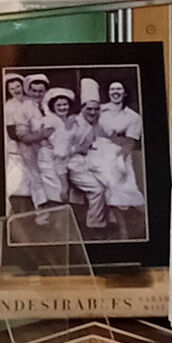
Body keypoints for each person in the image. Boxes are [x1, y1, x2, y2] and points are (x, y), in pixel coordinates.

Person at [98, 80, 145, 235]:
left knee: (131, 193)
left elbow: (129, 142)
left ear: (125, 93)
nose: (115, 92)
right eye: (112, 89)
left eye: (119, 89)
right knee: (112, 196)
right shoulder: (100, 110)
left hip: (121, 158)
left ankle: (148, 222)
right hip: (101, 157)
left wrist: (120, 159)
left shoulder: (133, 117)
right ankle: (122, 232)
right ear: (108, 92)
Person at [67, 78, 109, 234]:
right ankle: (95, 226)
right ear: (82, 108)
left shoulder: (98, 123)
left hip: (92, 163)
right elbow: (61, 148)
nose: (93, 112)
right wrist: (79, 149)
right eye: (89, 109)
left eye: (96, 109)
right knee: (97, 189)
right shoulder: (73, 122)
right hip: (73, 165)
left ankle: (104, 221)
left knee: (111, 182)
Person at [7, 73, 51, 212]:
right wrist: (42, 135)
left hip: (48, 149)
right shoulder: (23, 108)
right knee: (36, 177)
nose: (37, 94)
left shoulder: (48, 105)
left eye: (41, 91)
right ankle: (42, 211)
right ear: (29, 91)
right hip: (29, 149)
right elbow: (21, 135)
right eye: (34, 91)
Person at [39, 86, 76, 204]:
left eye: (65, 104)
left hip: (62, 162)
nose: (62, 107)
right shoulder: (50, 121)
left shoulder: (67, 120)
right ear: (53, 107)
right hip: (50, 161)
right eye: (59, 105)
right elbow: (60, 150)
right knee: (58, 194)